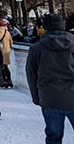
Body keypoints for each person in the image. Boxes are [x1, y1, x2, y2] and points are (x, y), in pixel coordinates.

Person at [26, 13, 74, 144]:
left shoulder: (37, 48)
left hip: (49, 98)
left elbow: (31, 74)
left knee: (53, 136)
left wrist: (36, 97)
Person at [0, 19, 14, 88]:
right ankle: (9, 80)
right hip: (7, 51)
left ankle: (3, 80)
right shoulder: (7, 32)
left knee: (0, 67)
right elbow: (11, 42)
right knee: (5, 66)